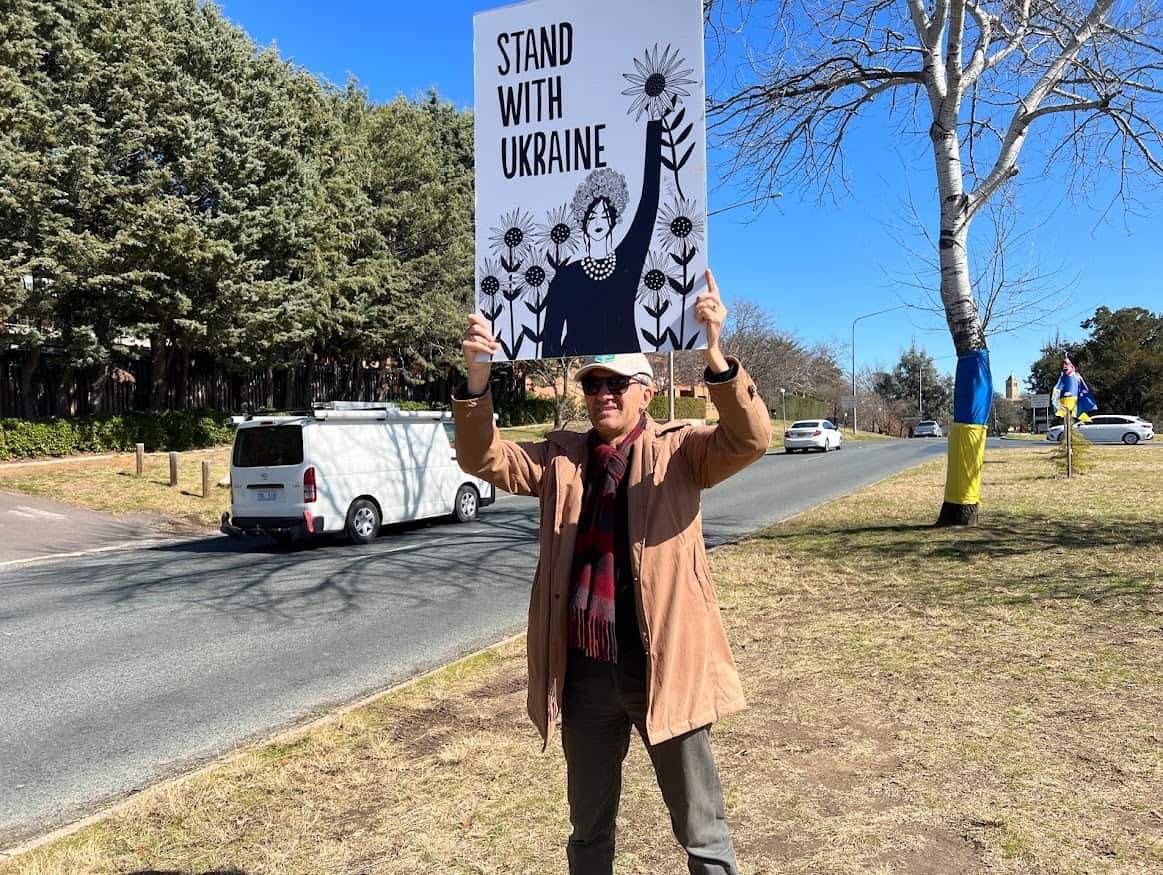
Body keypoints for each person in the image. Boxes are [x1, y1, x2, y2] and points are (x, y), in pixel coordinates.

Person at [453, 269, 770, 874]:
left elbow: (750, 438)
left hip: (664, 666)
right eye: (595, 383)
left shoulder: (683, 452)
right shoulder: (560, 459)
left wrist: (715, 354)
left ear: (646, 392)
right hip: (586, 675)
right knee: (589, 829)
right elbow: (482, 456)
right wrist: (476, 380)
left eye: (618, 383)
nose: (604, 393)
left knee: (701, 829)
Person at [541, 118, 663, 357]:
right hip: (584, 376)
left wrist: (654, 126)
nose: (598, 221)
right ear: (582, 219)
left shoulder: (628, 259)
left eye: (605, 215)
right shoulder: (565, 277)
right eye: (592, 215)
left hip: (628, 370)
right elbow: (550, 341)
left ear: (614, 219)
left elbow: (649, 202)